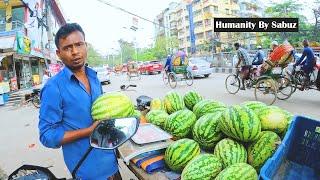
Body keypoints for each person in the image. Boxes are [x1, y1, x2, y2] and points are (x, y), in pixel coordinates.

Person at [38, 23, 120, 180]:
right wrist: (89, 131)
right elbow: (47, 135)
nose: (75, 52)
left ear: (86, 46)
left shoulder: (94, 78)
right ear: (58, 53)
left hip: (111, 163)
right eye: (68, 47)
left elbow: (102, 114)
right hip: (86, 170)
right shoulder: (53, 88)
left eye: (79, 45)